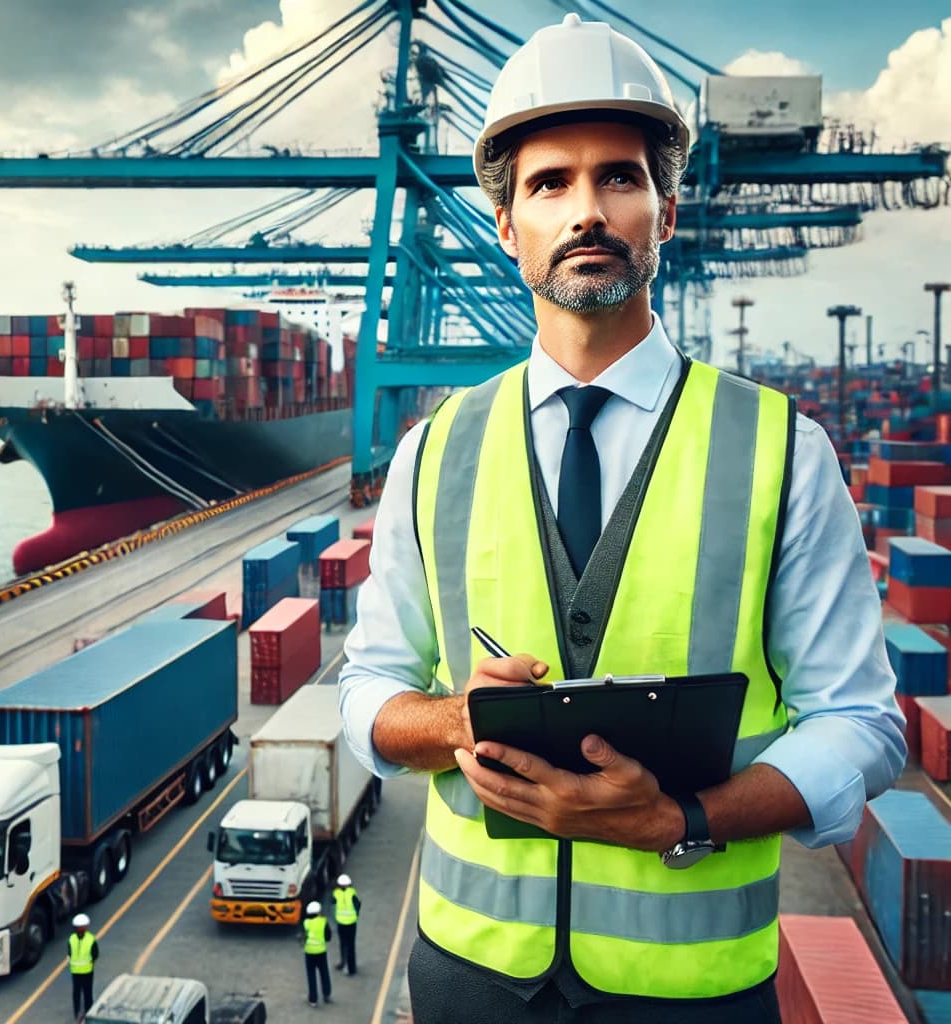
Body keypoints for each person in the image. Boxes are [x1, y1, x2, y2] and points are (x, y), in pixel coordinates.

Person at [337, 12, 906, 1024]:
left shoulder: (781, 450)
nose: (585, 209)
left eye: (619, 178)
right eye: (549, 183)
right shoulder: (435, 450)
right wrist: (455, 718)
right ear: (507, 228)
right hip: (468, 977)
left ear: (666, 211)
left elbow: (861, 724)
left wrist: (682, 817)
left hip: (689, 996)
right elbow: (370, 687)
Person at [67, 912, 99, 1022]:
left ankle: (79, 1014)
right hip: (85, 971)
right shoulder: (90, 939)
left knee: (79, 993)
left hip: (78, 971)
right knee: (86, 993)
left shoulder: (73, 939)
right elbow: (95, 954)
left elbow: (70, 953)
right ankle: (86, 1014)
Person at [302, 900, 332, 1007]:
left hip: (309, 952)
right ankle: (326, 994)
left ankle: (313, 999)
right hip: (321, 952)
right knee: (324, 973)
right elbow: (328, 937)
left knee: (311, 976)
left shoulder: (306, 923)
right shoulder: (323, 922)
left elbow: (303, 938)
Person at [331, 873, 361, 975]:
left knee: (343, 944)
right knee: (351, 945)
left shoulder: (336, 893)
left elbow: (333, 906)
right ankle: (351, 968)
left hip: (341, 923)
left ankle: (343, 963)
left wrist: (335, 919)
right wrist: (356, 915)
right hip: (351, 923)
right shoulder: (352, 893)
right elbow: (358, 905)